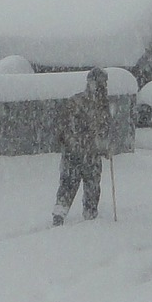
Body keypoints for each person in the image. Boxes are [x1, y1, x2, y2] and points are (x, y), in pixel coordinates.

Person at [53, 68, 112, 225]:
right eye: (99, 83)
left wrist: (105, 146)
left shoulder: (103, 105)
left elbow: (105, 129)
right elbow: (63, 127)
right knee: (68, 184)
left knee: (91, 186)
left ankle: (90, 217)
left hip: (91, 153)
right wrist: (73, 143)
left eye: (104, 83)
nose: (101, 86)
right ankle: (59, 216)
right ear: (90, 83)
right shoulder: (76, 102)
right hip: (75, 153)